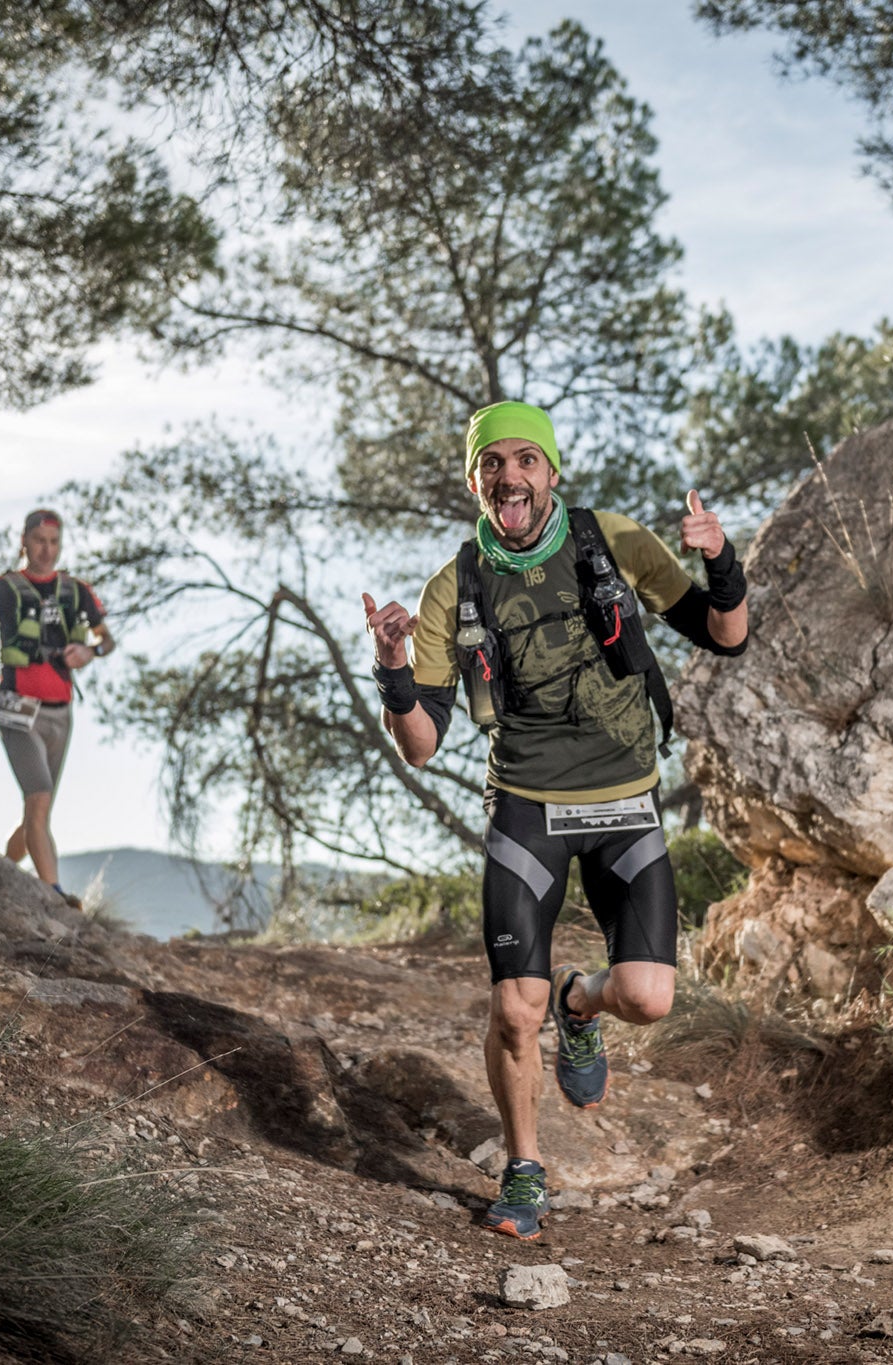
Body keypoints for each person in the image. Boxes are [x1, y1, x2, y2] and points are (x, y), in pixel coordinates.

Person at [362, 401, 749, 1241]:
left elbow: (724, 636)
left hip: (625, 800)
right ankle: (524, 1168)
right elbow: (422, 745)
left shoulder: (608, 539)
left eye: (525, 461)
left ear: (551, 472)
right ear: (475, 479)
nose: (510, 477)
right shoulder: (453, 586)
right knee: (513, 1008)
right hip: (527, 808)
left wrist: (722, 563)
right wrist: (393, 669)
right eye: (492, 463)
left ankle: (582, 1004)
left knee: (646, 998)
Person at [0, 508, 115, 908]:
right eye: (39, 540)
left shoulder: (77, 592)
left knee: (36, 812)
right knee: (39, 799)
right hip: (18, 710)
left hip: (62, 714)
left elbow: (107, 640)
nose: (47, 550)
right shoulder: (4, 589)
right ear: (24, 541)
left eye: (54, 542)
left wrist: (89, 652)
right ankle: (55, 897)